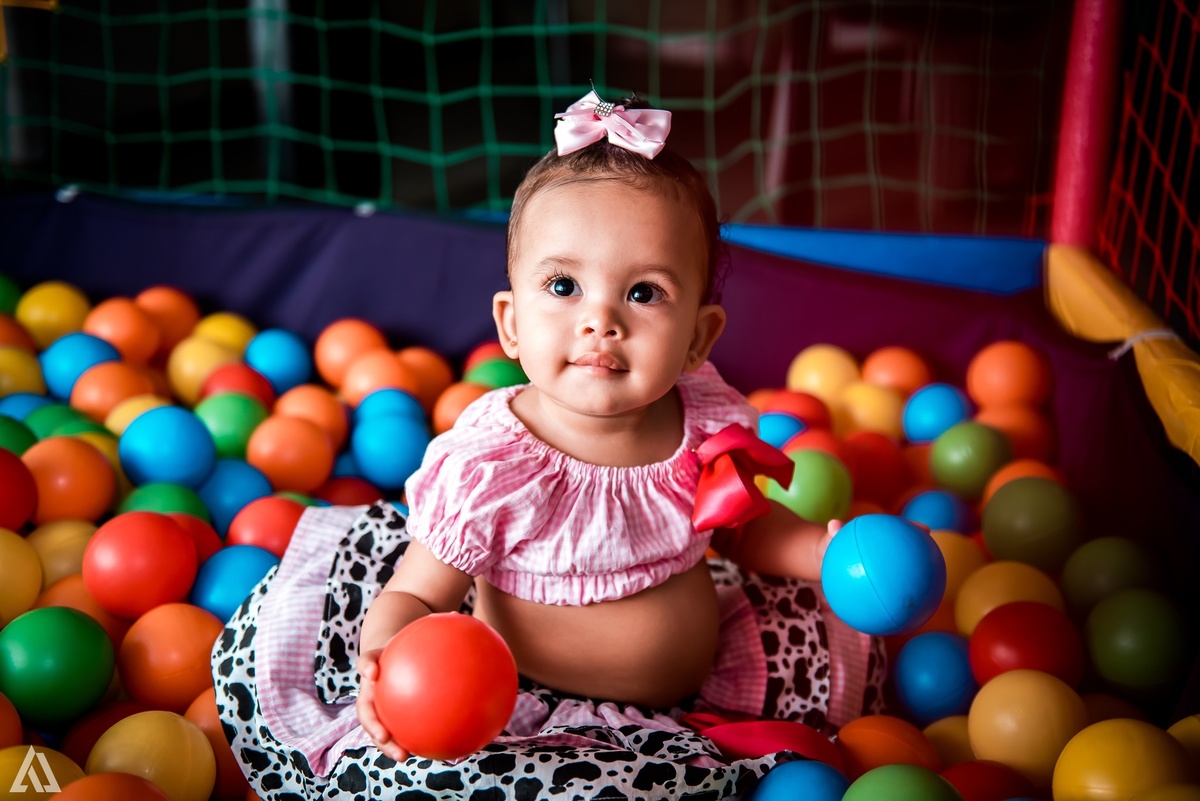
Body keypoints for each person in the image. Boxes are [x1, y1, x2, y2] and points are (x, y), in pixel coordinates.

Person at [212, 90, 885, 801]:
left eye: (645, 293)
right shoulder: (496, 464)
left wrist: (819, 550)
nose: (600, 320)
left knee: (851, 654)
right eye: (563, 285)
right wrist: (389, 663)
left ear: (699, 337)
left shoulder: (703, 422)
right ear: (510, 323)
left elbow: (743, 529)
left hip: (697, 687)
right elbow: (416, 591)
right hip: (516, 708)